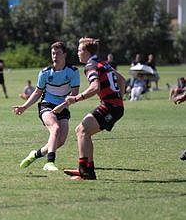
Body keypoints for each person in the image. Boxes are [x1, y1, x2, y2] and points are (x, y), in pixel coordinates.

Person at [53, 37, 126, 180]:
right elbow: (122, 79)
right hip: (113, 105)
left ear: (86, 52)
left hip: (111, 106)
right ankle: (89, 171)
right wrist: (119, 99)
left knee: (81, 131)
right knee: (83, 131)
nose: (77, 53)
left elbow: (95, 87)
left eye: (80, 50)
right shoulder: (103, 63)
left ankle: (83, 170)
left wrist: (76, 98)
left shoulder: (91, 66)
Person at [13, 41, 80, 171]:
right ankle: (49, 163)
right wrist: (24, 106)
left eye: (58, 53)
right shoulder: (44, 73)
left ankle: (35, 154)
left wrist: (63, 105)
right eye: (53, 53)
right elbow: (37, 92)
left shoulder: (72, 72)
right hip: (47, 105)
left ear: (64, 54)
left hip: (64, 106)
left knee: (60, 141)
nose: (55, 56)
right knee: (55, 128)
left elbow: (75, 95)